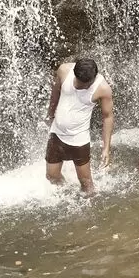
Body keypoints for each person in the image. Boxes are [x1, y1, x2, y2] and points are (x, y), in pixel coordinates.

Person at [45, 58, 113, 195]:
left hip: (79, 139)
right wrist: (50, 112)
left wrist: (106, 148)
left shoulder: (102, 88)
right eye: (78, 82)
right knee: (51, 176)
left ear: (93, 79)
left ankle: (91, 208)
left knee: (86, 183)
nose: (80, 87)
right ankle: (67, 196)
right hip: (57, 133)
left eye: (85, 85)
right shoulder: (64, 70)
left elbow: (108, 117)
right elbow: (56, 91)